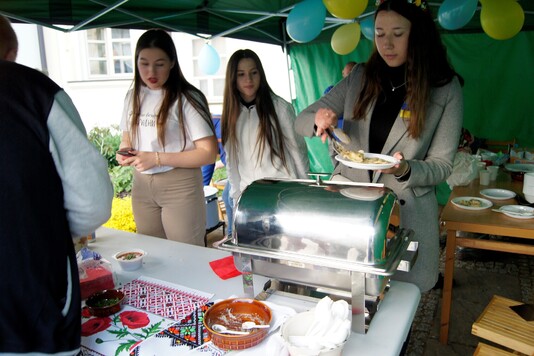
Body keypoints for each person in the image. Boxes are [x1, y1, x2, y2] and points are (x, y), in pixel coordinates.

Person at [295, 0, 463, 293]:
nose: (387, 43)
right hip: (350, 208)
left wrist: (406, 168)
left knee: (399, 305)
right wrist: (319, 118)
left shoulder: (444, 88)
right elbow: (301, 120)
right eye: (380, 33)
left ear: (418, 35)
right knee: (343, 296)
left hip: (406, 213)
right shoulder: (360, 77)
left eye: (398, 33)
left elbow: (442, 165)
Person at [0, 15, 113, 354]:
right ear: (11, 53)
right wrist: (53, 230)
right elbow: (92, 203)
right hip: (33, 305)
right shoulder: (32, 90)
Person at [117, 29, 218, 246]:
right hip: (142, 184)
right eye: (144, 63)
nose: (151, 71)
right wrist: (125, 151)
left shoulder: (187, 98)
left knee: (187, 255)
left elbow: (208, 153)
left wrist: (156, 158)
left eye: (159, 64)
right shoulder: (133, 95)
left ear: (172, 62)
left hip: (179, 184)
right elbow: (126, 138)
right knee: (152, 253)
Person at [221, 49, 309, 206]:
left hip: (281, 192)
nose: (248, 79)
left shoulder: (280, 108)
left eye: (253, 73)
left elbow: (297, 149)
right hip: (249, 194)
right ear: (233, 78)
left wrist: (305, 187)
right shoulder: (230, 114)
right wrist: (236, 196)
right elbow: (231, 159)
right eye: (241, 74)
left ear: (260, 74)